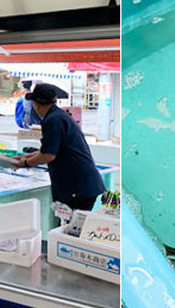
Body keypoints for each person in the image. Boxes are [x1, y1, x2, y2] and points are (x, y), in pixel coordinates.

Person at [12, 83, 105, 212]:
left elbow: (48, 155)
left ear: (37, 104)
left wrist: (25, 163)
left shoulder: (52, 120)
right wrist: (23, 157)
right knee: (72, 223)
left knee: (72, 224)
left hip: (77, 187)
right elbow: (47, 150)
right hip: (84, 184)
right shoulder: (58, 115)